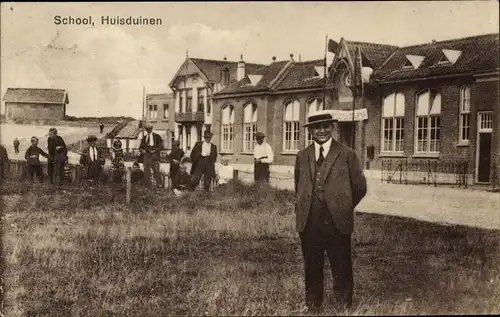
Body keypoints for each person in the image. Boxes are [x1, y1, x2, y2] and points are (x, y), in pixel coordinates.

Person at [294, 110, 367, 313]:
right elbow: (299, 185)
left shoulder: (347, 154)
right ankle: (313, 303)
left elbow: (360, 187)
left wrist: (342, 205)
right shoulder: (303, 155)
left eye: (326, 126)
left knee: (341, 262)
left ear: (333, 128)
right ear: (310, 131)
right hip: (309, 220)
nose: (322, 131)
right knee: (312, 264)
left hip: (337, 221)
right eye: (317, 127)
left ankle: (344, 303)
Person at [139, 124, 163, 188]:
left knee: (156, 171)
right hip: (147, 156)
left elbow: (161, 147)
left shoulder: (157, 136)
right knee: (146, 172)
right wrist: (142, 150)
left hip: (154, 156)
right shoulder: (144, 137)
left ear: (152, 128)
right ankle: (147, 186)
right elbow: (140, 147)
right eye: (147, 129)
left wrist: (155, 151)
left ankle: (159, 185)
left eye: (149, 128)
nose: (148, 130)